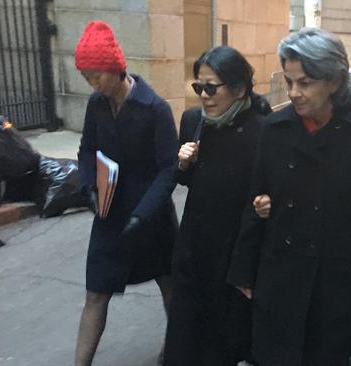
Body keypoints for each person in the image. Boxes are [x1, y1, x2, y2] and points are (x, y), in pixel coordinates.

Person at [226, 28, 351, 366]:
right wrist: (243, 270)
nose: (293, 93)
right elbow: (254, 201)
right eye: (289, 82)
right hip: (279, 282)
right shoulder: (273, 130)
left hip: (337, 291)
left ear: (333, 81)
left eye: (304, 83)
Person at [74, 21, 178, 365]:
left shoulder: (155, 109)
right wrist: (89, 186)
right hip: (109, 211)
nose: (93, 84)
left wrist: (143, 213)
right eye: (87, 77)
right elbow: (87, 149)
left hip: (150, 216)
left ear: (116, 68)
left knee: (169, 284)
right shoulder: (96, 105)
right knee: (96, 293)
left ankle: (175, 348)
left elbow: (168, 169)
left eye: (96, 75)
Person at [163, 46, 269, 365]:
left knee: (222, 346)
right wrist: (183, 165)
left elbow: (267, 192)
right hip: (194, 249)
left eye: (211, 87)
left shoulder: (263, 130)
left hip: (232, 255)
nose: (204, 96)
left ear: (238, 89)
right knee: (183, 341)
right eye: (199, 87)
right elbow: (187, 182)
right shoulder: (194, 121)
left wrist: (268, 204)